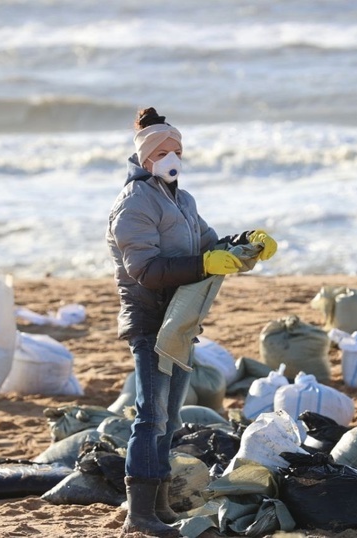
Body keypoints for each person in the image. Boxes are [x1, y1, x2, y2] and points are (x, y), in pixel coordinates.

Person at [105, 107, 277, 537]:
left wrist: (245, 242)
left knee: (171, 415)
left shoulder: (180, 200)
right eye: (163, 150)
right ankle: (138, 513)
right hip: (150, 323)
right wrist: (203, 263)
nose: (172, 156)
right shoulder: (134, 203)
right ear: (145, 157)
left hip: (180, 322)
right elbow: (145, 269)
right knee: (150, 418)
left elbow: (207, 245)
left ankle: (160, 507)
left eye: (177, 149)